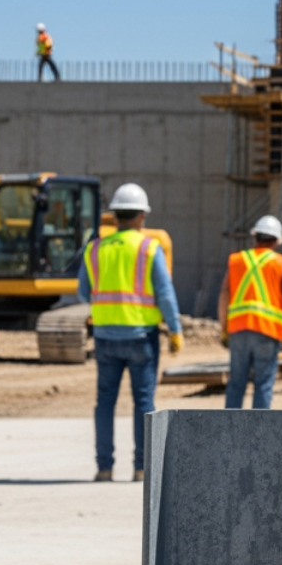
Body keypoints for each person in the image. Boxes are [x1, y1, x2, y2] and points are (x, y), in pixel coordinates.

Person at [78, 184, 181, 482]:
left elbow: (84, 291)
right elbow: (165, 293)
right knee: (144, 403)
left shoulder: (95, 248)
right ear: (140, 217)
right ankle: (141, 468)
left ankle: (104, 467)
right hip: (140, 337)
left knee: (105, 402)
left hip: (106, 337)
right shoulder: (149, 248)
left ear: (115, 216)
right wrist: (175, 329)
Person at [219, 215, 282, 409]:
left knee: (236, 384)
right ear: (276, 241)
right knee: (263, 385)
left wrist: (224, 327)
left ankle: (230, 436)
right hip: (267, 332)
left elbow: (224, 294)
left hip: (239, 330)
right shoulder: (280, 263)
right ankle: (259, 438)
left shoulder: (237, 260)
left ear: (255, 237)